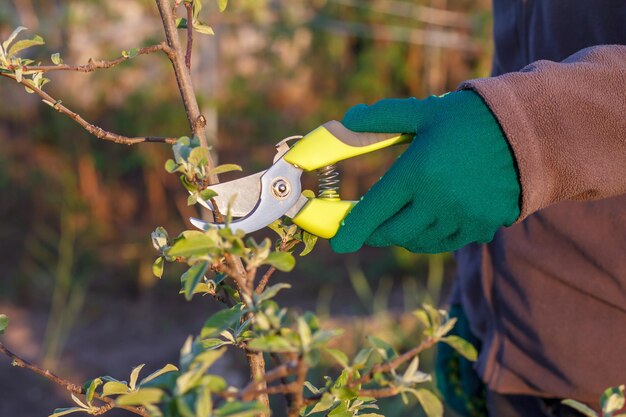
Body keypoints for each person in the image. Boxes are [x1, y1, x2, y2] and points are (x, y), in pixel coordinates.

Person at [329, 2, 626, 417]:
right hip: (509, 354)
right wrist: (476, 295)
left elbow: (519, 121)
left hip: (608, 384)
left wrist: (529, 130)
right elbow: (524, 62)